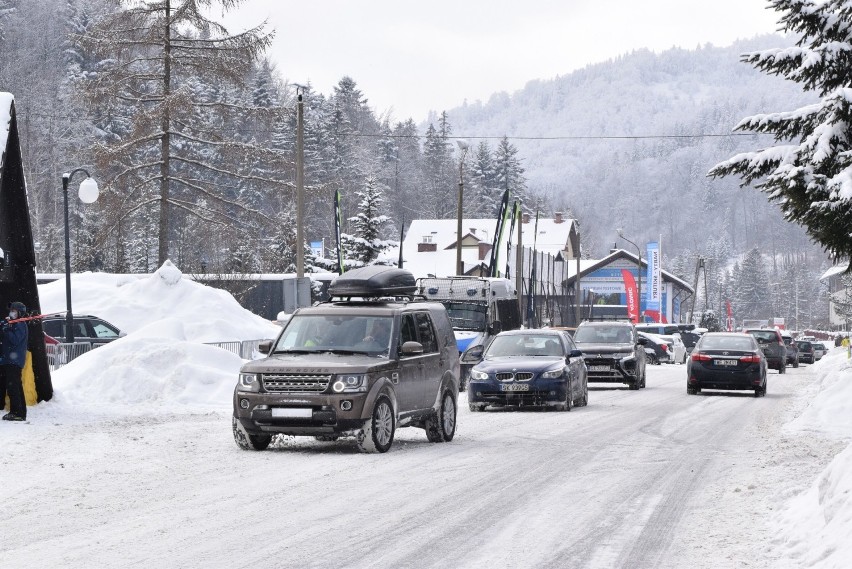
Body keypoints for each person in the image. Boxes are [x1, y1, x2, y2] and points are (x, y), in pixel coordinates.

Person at [2, 301, 29, 421]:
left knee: (13, 387)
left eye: (14, 311)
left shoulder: (20, 324)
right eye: (11, 310)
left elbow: (15, 340)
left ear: (20, 313)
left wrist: (7, 330)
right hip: (10, 359)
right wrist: (6, 325)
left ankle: (17, 412)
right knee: (16, 386)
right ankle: (21, 412)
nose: (11, 313)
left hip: (15, 361)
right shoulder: (14, 324)